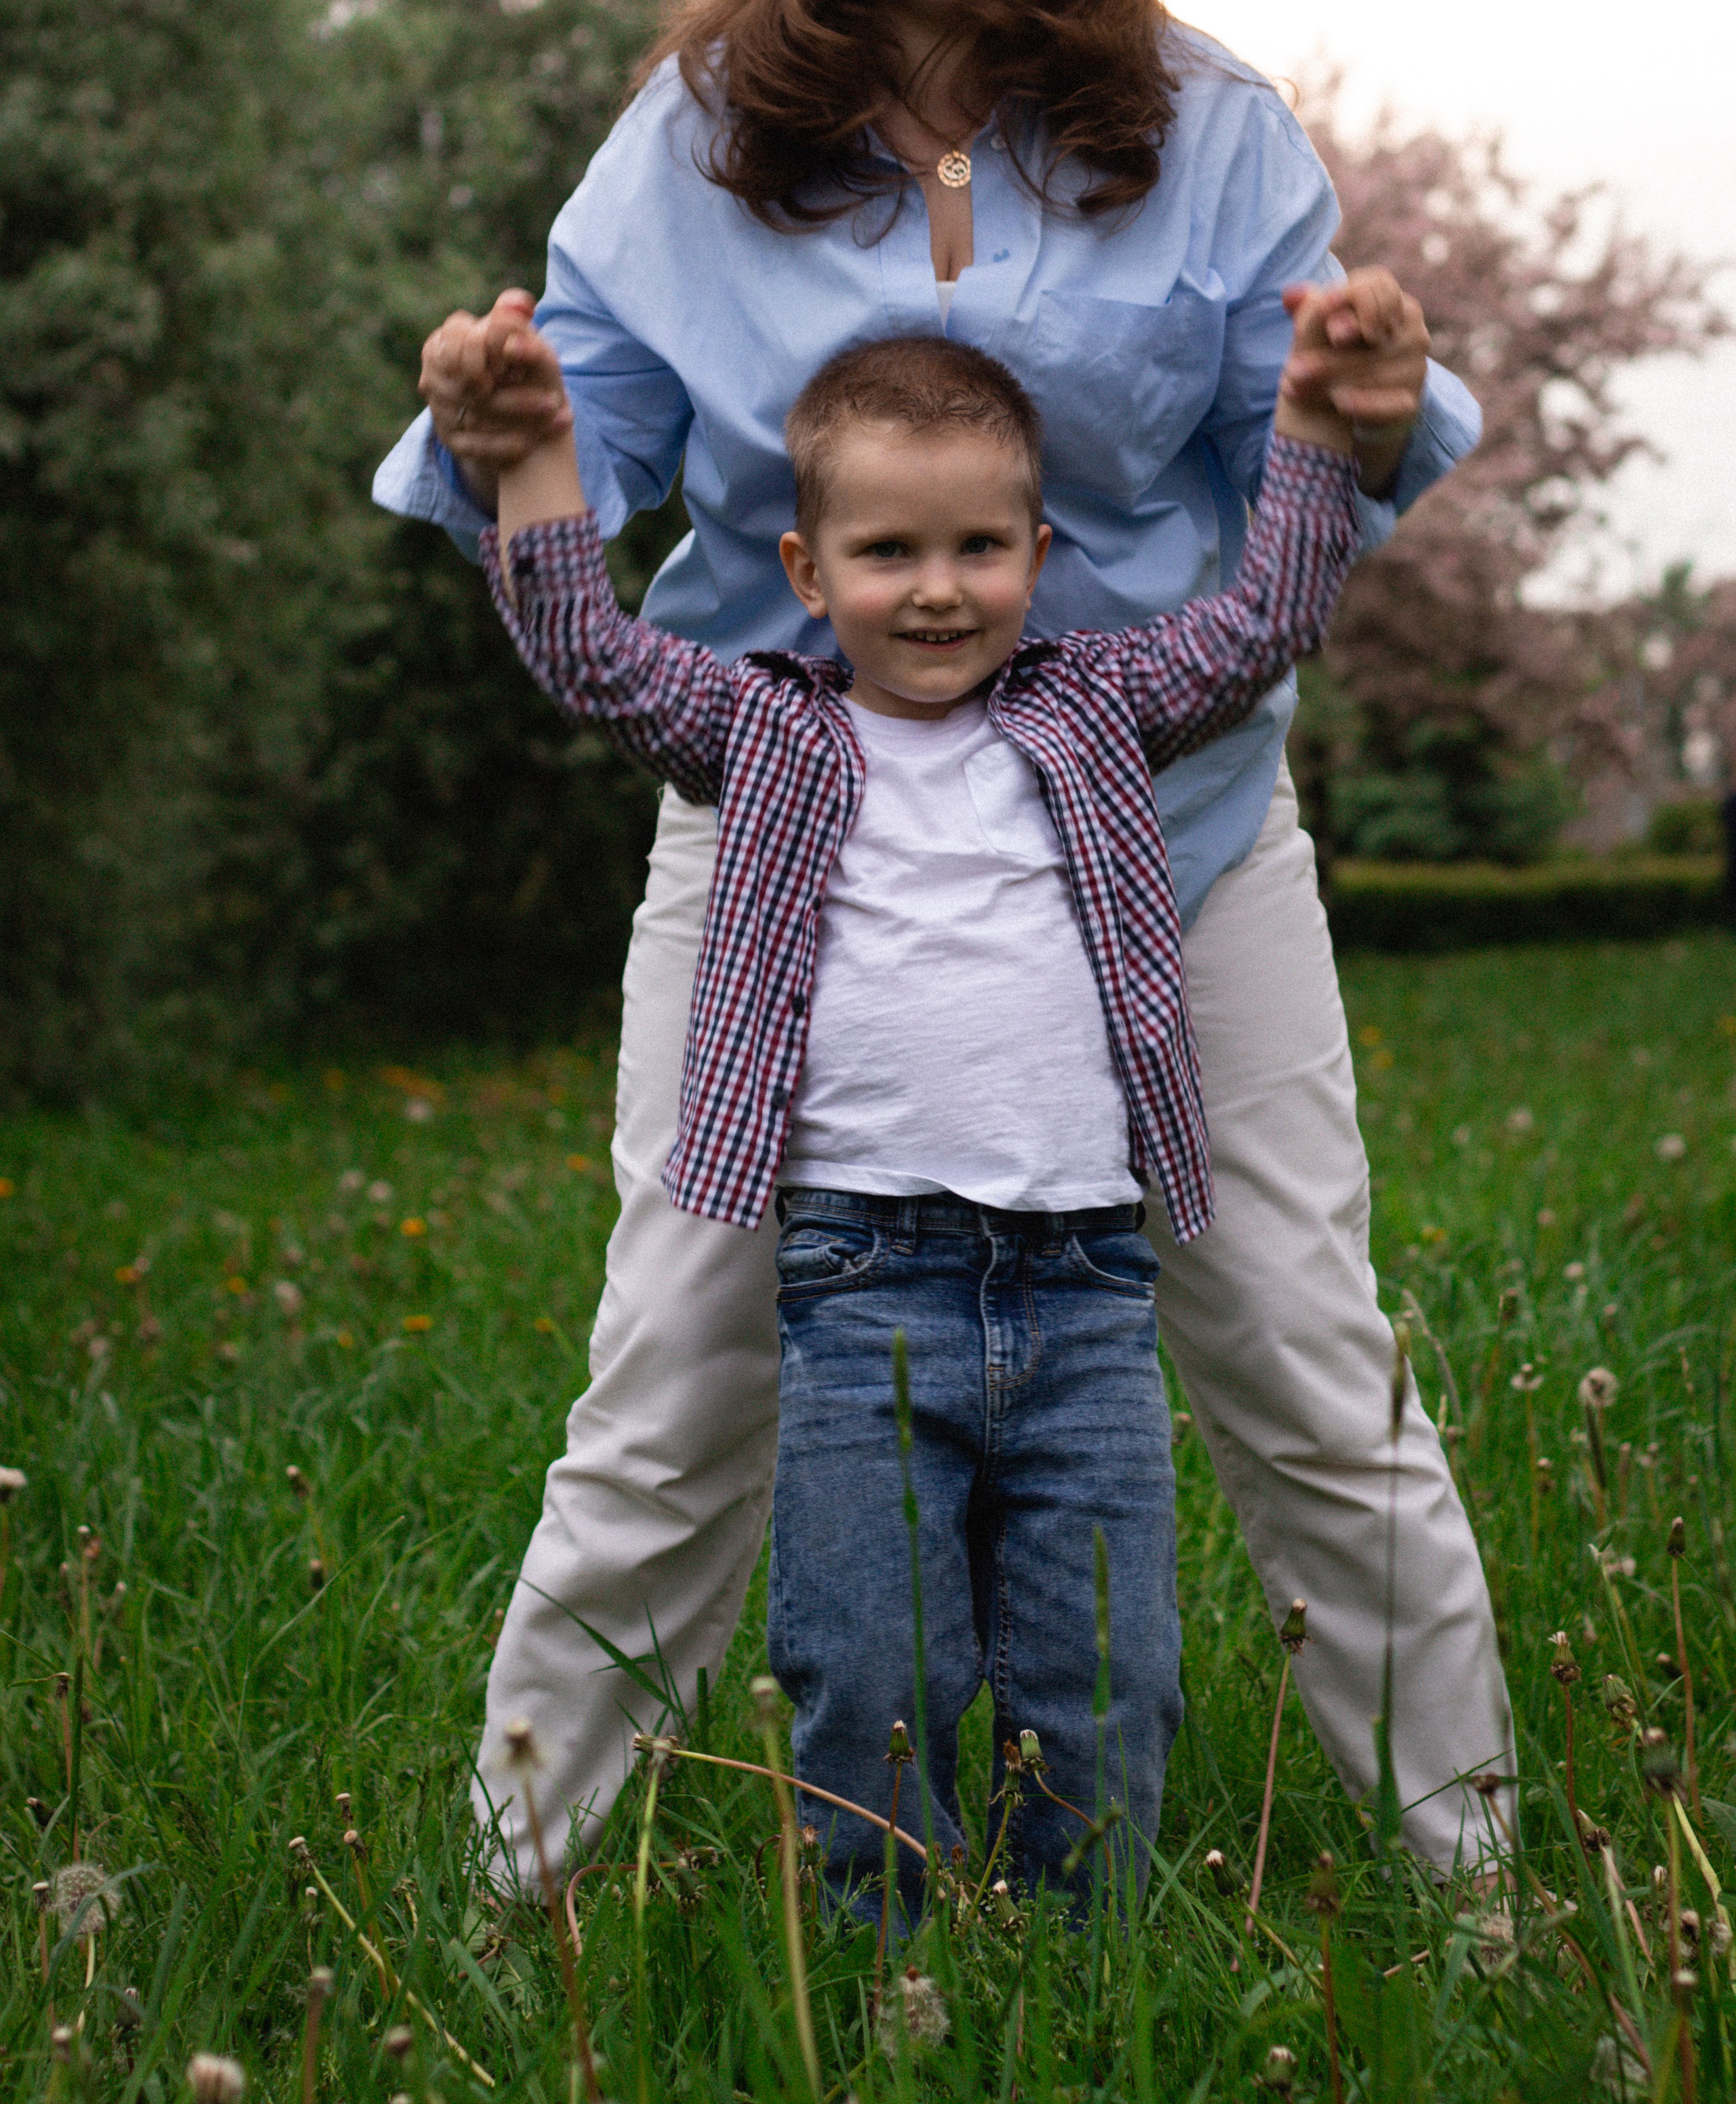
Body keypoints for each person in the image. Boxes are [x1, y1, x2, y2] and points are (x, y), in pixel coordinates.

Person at [374, 0, 1516, 1887]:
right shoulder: (703, 126)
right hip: (782, 839)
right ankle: (516, 1892)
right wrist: (500, 420)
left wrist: (1362, 406)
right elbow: (571, 447)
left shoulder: (1207, 121)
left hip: (1175, 830)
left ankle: (1478, 1885)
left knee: (1309, 1366)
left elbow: (1303, 464)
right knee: (674, 1378)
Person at [473, 307, 1365, 1907]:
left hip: (1087, 1282)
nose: (937, 588)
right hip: (857, 1282)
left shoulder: (1096, 706)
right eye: (887, 551)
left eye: (977, 546)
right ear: (808, 574)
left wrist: (1307, 419)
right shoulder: (764, 729)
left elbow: (1260, 622)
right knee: (868, 1669)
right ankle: (881, 1988)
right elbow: (588, 659)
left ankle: (1080, 1975)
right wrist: (535, 456)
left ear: (1039, 548)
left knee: (1107, 1674)